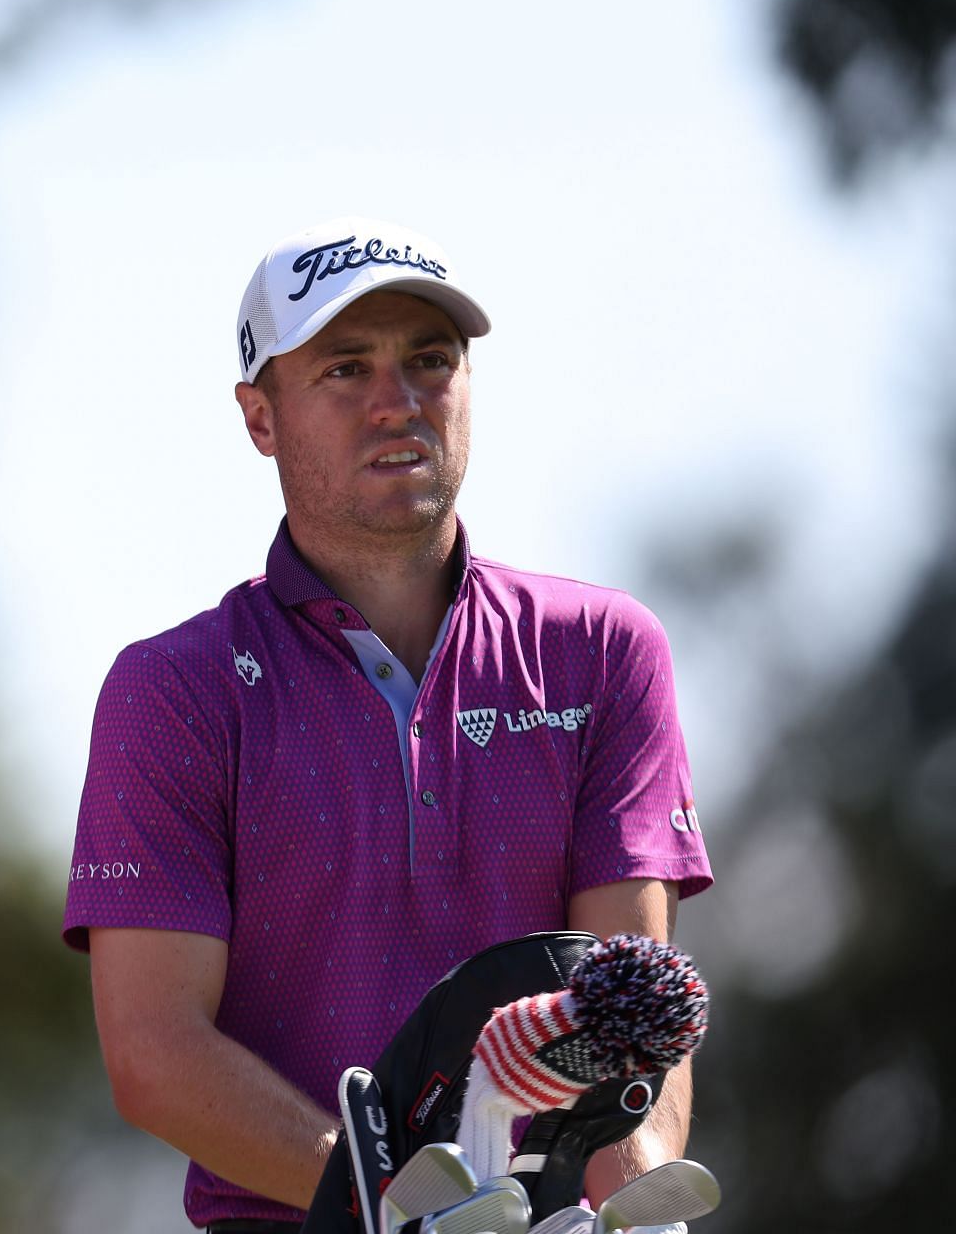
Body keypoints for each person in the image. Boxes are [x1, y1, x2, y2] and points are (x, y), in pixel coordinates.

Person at [61, 217, 713, 1231]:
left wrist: (624, 1190)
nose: (397, 400)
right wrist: (397, 1200)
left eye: (430, 359)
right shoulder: (176, 689)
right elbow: (154, 1054)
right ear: (259, 416)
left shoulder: (602, 650)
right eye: (344, 367)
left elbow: (630, 1003)